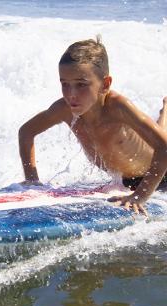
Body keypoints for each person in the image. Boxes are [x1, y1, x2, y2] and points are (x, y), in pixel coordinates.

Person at [18, 36, 167, 215]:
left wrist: (140, 196)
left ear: (105, 84)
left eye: (81, 85)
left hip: (160, 174)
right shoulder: (64, 109)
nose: (71, 94)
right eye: (65, 84)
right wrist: (32, 181)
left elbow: (164, 148)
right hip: (124, 179)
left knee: (159, 138)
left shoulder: (118, 108)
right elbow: (26, 132)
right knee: (156, 135)